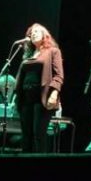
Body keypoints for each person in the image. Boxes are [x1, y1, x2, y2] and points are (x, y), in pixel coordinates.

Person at [14, 23, 64, 153]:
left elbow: (59, 75)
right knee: (26, 137)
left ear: (44, 35)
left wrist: (54, 94)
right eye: (31, 32)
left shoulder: (53, 51)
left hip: (42, 98)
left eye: (37, 31)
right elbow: (21, 78)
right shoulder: (28, 54)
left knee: (38, 135)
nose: (33, 34)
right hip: (25, 99)